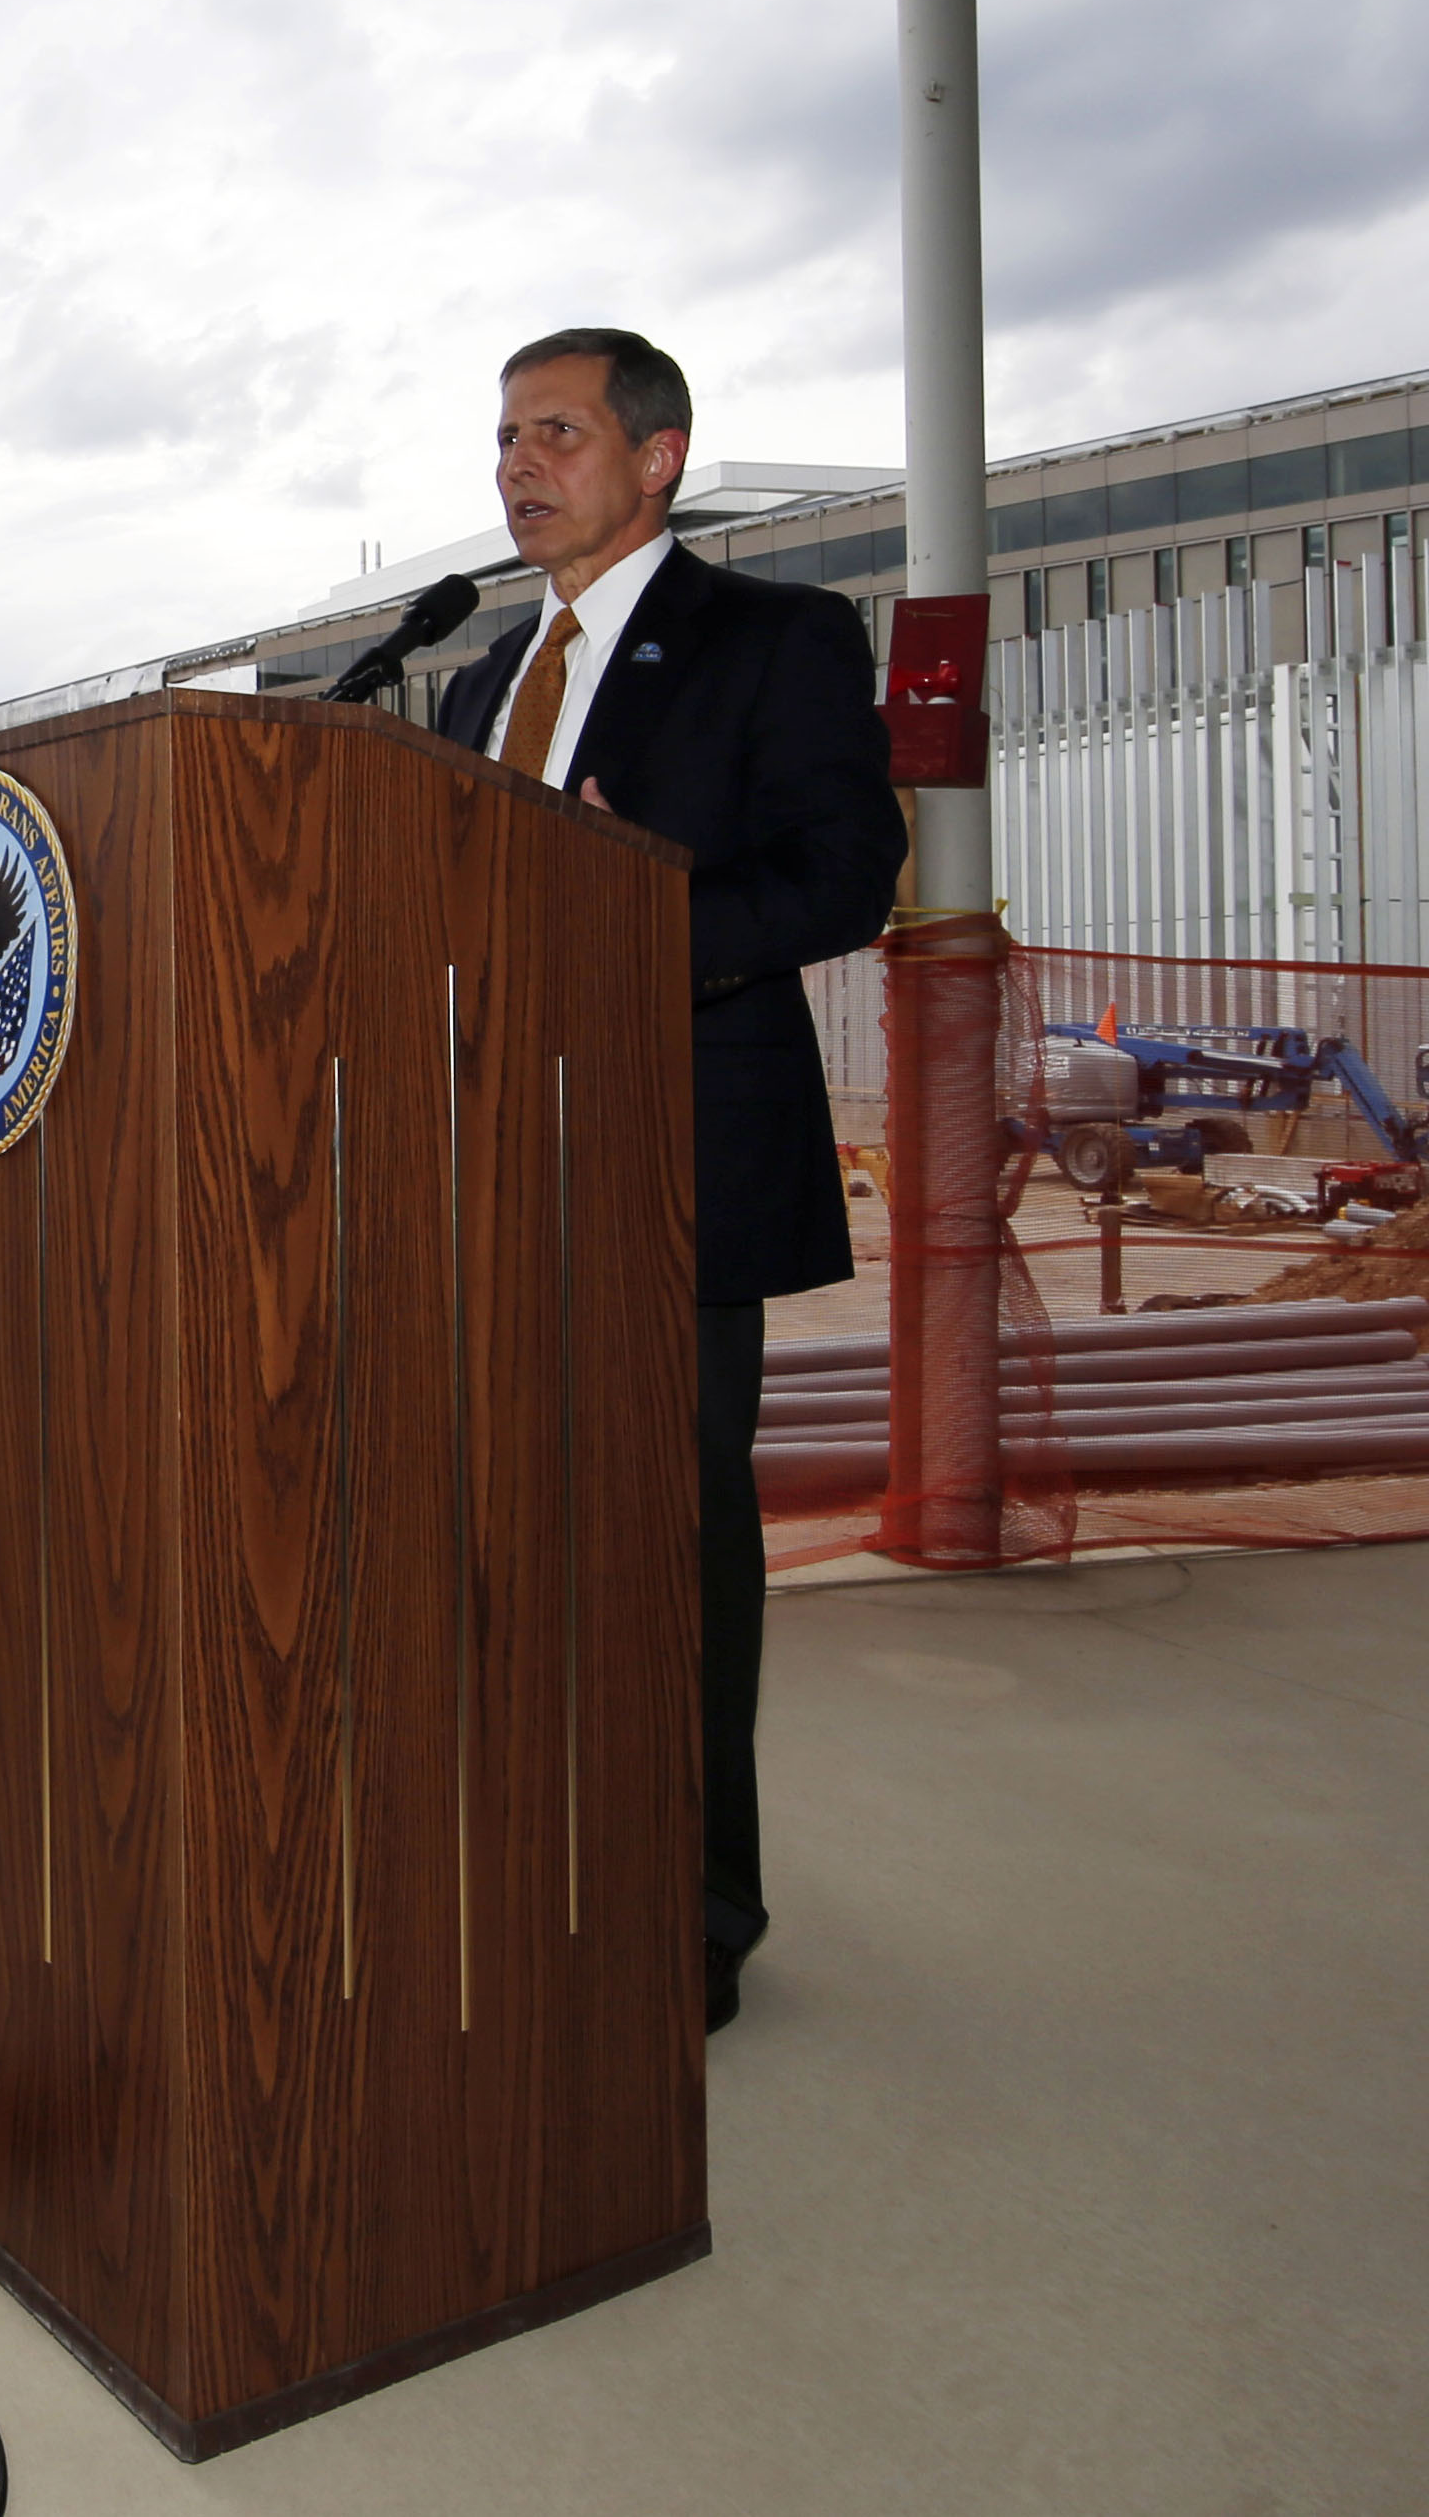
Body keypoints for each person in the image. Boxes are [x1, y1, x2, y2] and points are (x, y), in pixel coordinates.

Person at [427, 328, 903, 2024]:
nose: (517, 465)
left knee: (667, 1532)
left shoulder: (776, 640)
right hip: (482, 1166)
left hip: (672, 1153)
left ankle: (692, 1908)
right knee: (497, 1527)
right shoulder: (479, 675)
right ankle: (516, 1844)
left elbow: (850, 875)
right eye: (502, 437)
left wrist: (626, 918)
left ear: (660, 455)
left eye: (555, 431)